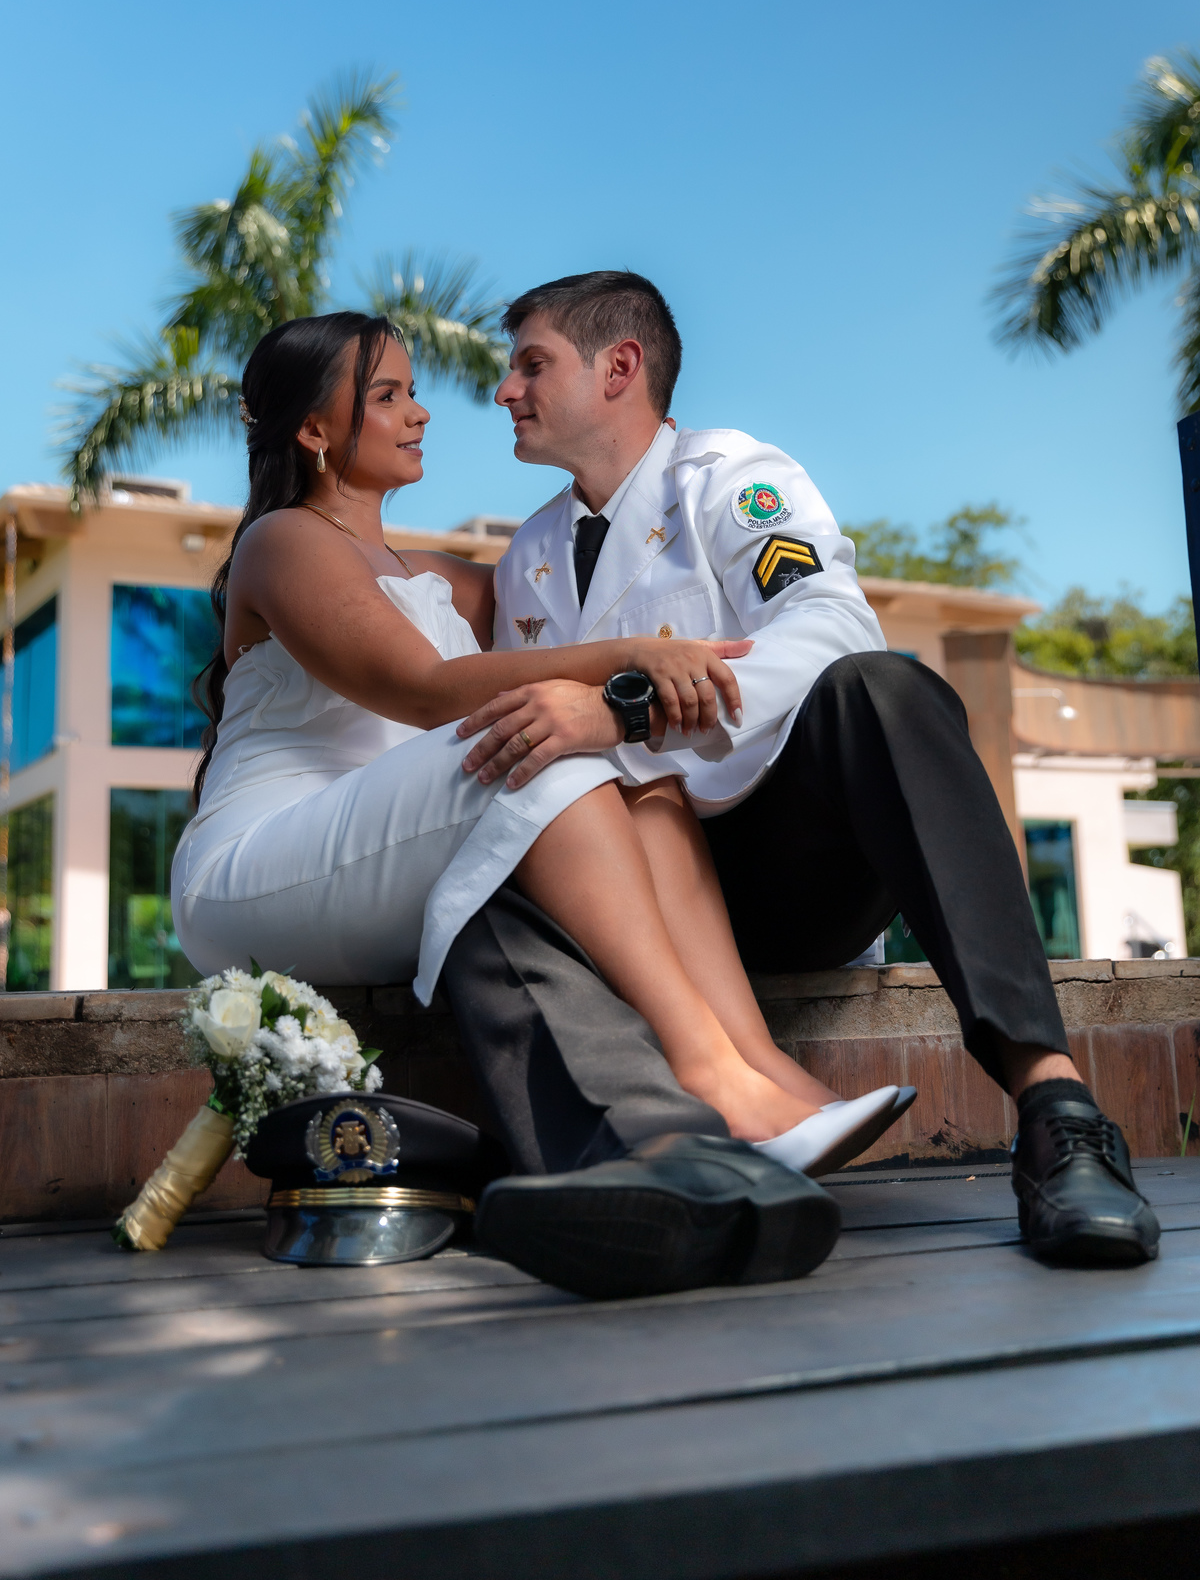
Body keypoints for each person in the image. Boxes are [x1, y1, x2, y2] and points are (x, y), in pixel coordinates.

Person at [437, 270, 1160, 1283]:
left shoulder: (732, 477)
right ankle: (679, 1150)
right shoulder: (530, 557)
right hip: (626, 900)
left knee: (883, 688)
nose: (505, 390)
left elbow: (831, 625)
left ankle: (1057, 1110)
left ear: (619, 367)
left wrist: (627, 711)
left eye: (531, 365)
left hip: (777, 872)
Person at [171, 309, 882, 1300]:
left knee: (632, 762)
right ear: (315, 431)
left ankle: (758, 1070)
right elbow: (426, 690)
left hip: (386, 867)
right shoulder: (283, 544)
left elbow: (608, 576)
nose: (421, 413)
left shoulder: (448, 580)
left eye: (413, 392)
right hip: (259, 871)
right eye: (388, 396)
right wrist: (634, 658)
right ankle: (708, 1076)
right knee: (539, 743)